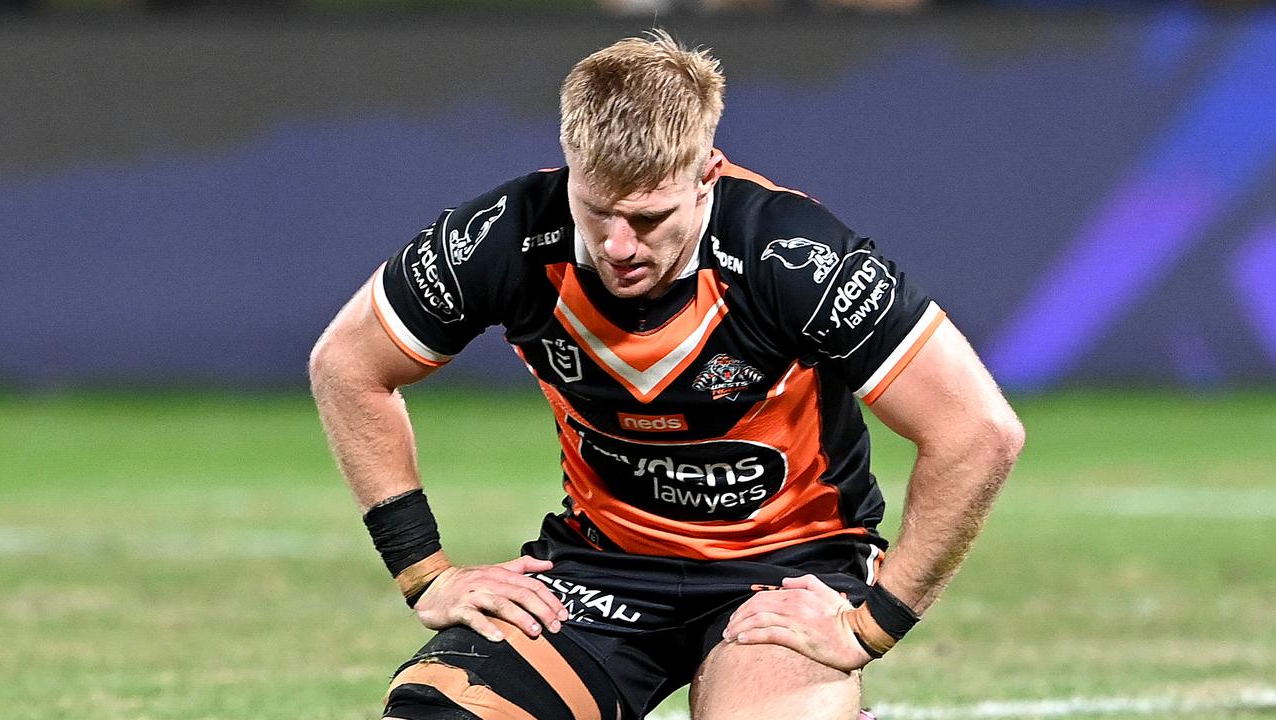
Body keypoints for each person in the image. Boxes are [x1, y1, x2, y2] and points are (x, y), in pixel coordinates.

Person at [310, 29, 1024, 720]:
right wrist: (425, 572)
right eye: (596, 211)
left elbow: (978, 431)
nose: (619, 246)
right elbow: (347, 365)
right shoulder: (505, 236)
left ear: (706, 173)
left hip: (786, 569)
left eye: (649, 217)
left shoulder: (793, 254)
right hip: (600, 572)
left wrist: (870, 625)